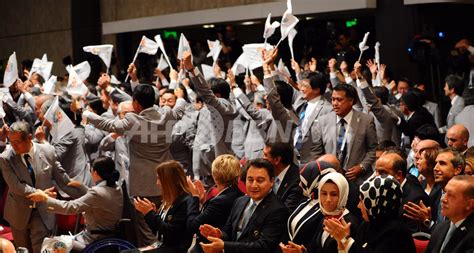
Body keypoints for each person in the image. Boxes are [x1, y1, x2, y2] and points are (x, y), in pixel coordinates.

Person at [83, 83, 182, 246]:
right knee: (166, 228)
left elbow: (108, 125)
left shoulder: (132, 120)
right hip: (167, 182)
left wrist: (87, 113)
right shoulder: (168, 115)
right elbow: (181, 106)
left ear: (135, 103)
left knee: (146, 232)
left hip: (143, 186)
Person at [0, 121, 82, 253]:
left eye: (17, 142)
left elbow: (63, 179)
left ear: (29, 138)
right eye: (11, 141)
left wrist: (85, 197)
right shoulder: (6, 158)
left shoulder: (48, 151)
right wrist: (41, 193)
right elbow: (15, 186)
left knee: (40, 249)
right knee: (23, 250)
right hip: (18, 212)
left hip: (43, 212)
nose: (13, 146)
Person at [27, 156, 123, 251]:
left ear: (95, 173)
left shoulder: (97, 193)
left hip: (94, 239)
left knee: (53, 244)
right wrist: (81, 186)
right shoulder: (116, 187)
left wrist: (45, 198)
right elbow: (101, 197)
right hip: (110, 236)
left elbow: (69, 207)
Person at [199, 158, 289, 253]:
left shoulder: (277, 209)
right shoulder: (240, 201)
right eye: (250, 180)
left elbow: (263, 246)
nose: (254, 185)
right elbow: (228, 231)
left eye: (260, 180)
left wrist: (224, 246)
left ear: (271, 181)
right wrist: (219, 234)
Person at [324, 175, 416, 253]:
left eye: (362, 201)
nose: (358, 206)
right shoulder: (368, 224)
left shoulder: (396, 233)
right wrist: (341, 244)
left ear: (376, 203)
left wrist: (346, 240)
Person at [312, 83, 378, 185]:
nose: (334, 103)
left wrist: (362, 166)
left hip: (357, 179)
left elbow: (373, 149)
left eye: (339, 100)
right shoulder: (323, 121)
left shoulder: (366, 120)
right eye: (333, 99)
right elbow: (316, 151)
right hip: (329, 178)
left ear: (351, 101)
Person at [280, 172, 360, 253]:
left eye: (334, 194)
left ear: (343, 195)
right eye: (324, 193)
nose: (328, 199)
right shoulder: (325, 217)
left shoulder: (350, 224)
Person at [186, 154, 243, 253]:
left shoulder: (219, 201)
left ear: (214, 175)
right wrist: (202, 201)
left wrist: (194, 197)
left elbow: (192, 226)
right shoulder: (240, 195)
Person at [134, 161, 193, 253]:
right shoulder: (167, 201)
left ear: (169, 181)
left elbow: (171, 235)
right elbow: (158, 233)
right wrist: (150, 214)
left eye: (159, 179)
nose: (157, 183)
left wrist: (150, 214)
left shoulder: (185, 202)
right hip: (162, 245)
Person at [375, 152, 430, 233]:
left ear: (398, 175)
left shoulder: (414, 200)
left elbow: (413, 237)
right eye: (376, 171)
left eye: (382, 172)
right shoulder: (385, 189)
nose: (377, 176)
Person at [425, 175, 474, 252]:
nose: (443, 199)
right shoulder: (441, 227)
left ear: (469, 204)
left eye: (451, 195)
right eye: (445, 192)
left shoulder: (471, 236)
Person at [263, 142, 304, 212]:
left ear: (277, 160)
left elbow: (286, 211)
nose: (262, 158)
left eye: (265, 155)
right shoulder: (267, 174)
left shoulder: (297, 181)